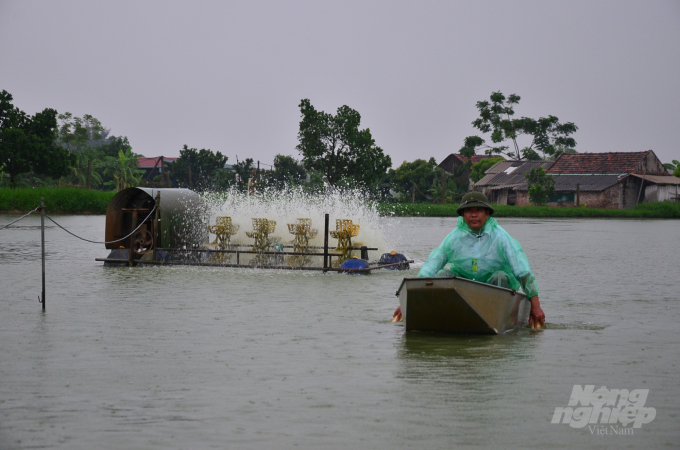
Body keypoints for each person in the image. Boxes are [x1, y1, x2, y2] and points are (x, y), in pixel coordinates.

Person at [393, 192, 545, 328]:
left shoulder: (500, 237)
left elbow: (521, 269)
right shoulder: (453, 237)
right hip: (464, 286)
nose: (473, 215)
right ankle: (445, 319)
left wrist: (535, 305)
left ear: (487, 213)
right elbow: (432, 265)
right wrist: (409, 302)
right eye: (469, 211)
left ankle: (495, 321)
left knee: (500, 277)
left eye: (478, 210)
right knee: (441, 276)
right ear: (463, 215)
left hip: (493, 287)